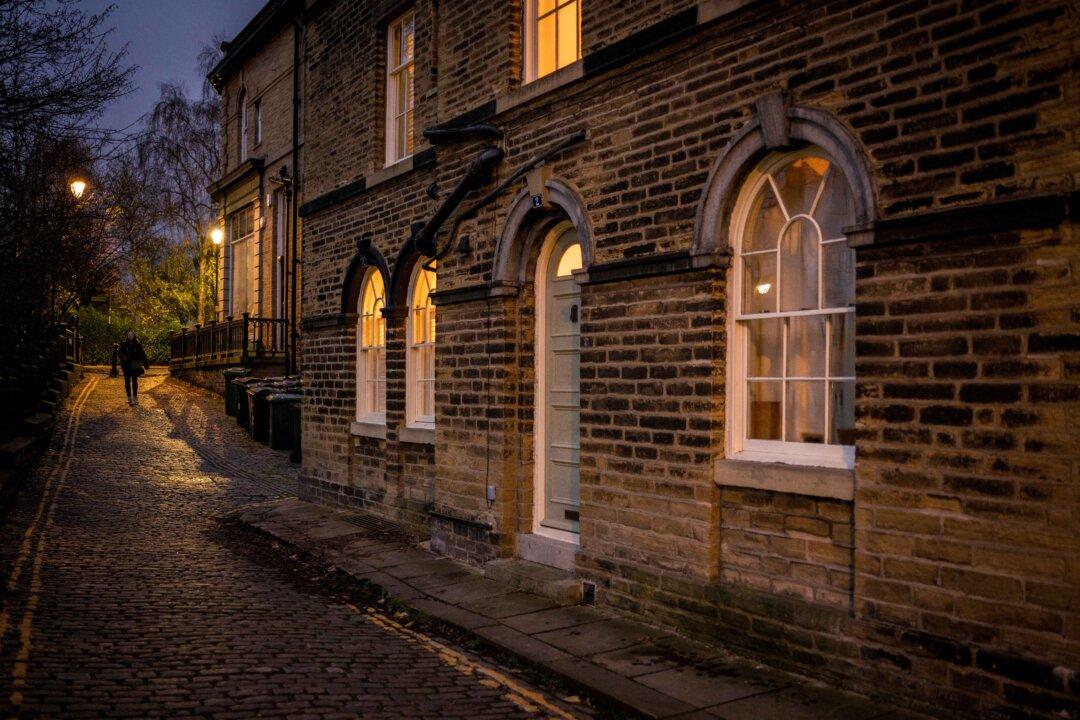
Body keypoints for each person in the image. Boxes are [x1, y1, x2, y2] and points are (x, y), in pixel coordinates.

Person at [117, 330, 149, 405]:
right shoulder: (124, 344)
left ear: (134, 336)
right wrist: (124, 358)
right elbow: (120, 353)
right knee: (127, 381)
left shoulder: (138, 345)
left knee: (134, 381)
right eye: (129, 335)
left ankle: (135, 397)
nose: (130, 336)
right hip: (126, 366)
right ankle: (129, 397)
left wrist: (146, 364)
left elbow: (142, 354)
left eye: (131, 335)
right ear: (127, 336)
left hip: (134, 365)